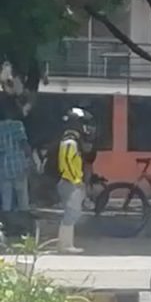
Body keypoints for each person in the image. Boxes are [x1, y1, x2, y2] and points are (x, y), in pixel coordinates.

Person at [54, 107, 97, 254]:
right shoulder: (69, 142)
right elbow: (67, 161)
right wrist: (76, 180)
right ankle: (65, 245)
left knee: (72, 214)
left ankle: (66, 244)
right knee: (71, 214)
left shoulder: (72, 141)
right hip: (70, 182)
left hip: (71, 181)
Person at [0, 96, 31, 213]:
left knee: (6, 199)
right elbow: (24, 144)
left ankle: (6, 221)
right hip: (18, 166)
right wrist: (30, 159)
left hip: (3, 168)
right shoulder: (17, 125)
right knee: (22, 198)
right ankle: (23, 220)